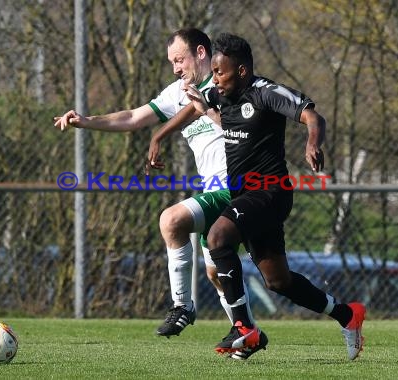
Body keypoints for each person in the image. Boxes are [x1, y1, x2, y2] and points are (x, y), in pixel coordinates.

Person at [148, 33, 366, 360]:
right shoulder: (223, 94)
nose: (216, 79)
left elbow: (311, 115)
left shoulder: (265, 93)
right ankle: (348, 315)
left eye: (220, 72)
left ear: (242, 71)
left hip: (270, 191)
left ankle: (243, 329)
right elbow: (196, 108)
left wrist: (312, 143)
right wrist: (159, 136)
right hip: (247, 196)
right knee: (278, 281)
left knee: (218, 237)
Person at [54, 28, 267, 360]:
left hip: (239, 185)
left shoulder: (227, 84)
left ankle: (182, 305)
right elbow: (133, 117)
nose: (175, 69)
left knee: (172, 220)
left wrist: (207, 110)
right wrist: (86, 120)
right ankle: (249, 333)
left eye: (179, 60)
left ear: (201, 53)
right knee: (217, 272)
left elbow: (250, 128)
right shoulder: (177, 93)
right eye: (171, 62)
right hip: (215, 188)